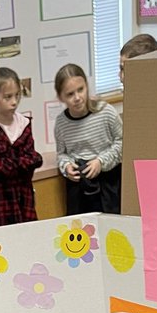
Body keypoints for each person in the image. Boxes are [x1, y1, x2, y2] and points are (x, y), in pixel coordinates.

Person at [0, 60, 43, 227]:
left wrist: (24, 162)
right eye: (7, 97)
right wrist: (26, 162)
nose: (14, 102)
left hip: (25, 197)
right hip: (1, 201)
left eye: (17, 95)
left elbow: (34, 162)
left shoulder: (24, 123)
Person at [54, 63, 123, 215]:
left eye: (81, 90)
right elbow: (61, 153)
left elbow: (122, 143)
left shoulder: (106, 112)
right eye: (70, 94)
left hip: (108, 182)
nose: (77, 98)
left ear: (87, 86)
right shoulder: (61, 123)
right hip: (79, 186)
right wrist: (66, 167)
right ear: (61, 97)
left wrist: (101, 161)